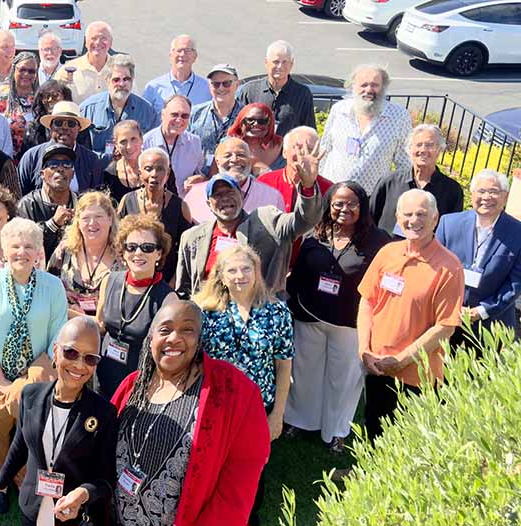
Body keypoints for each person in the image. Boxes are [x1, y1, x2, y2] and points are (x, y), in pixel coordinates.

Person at [110, 300, 271, 524]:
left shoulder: (233, 392)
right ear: (151, 338)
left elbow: (239, 484)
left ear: (200, 339)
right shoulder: (132, 386)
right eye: (165, 330)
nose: (174, 338)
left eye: (187, 329)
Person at [284, 181, 391, 453]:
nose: (345, 209)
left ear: (362, 206)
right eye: (338, 204)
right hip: (310, 318)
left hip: (349, 325)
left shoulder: (378, 242)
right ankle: (299, 420)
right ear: (329, 206)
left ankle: (336, 431)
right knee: (305, 374)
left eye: (352, 203)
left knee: (342, 381)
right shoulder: (316, 235)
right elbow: (299, 274)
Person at [194, 244, 294, 524]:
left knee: (252, 473)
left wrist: (278, 415)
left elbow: (284, 365)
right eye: (232, 270)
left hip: (258, 409)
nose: (240, 275)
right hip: (214, 407)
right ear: (221, 276)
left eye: (246, 268)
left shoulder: (277, 313)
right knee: (211, 471)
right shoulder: (205, 313)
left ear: (257, 272)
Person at [0, 217, 66, 514]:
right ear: (4, 248)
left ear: (39, 250)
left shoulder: (53, 285)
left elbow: (57, 336)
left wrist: (22, 382)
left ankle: (21, 477)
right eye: (15, 245)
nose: (22, 252)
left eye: (29, 246)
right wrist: (1, 380)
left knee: (26, 416)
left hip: (38, 371)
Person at [0, 316, 118, 525]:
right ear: (55, 351)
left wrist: (83, 494)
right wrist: (1, 481)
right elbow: (20, 447)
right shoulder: (30, 395)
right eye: (71, 352)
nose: (79, 365)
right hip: (32, 508)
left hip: (71, 516)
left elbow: (107, 478)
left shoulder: (104, 414)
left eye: (90, 358)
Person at [357, 189, 463, 444]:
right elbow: (367, 301)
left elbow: (444, 327)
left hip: (417, 374)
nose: (414, 220)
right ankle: (367, 480)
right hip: (378, 365)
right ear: (397, 217)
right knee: (374, 428)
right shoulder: (388, 253)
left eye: (421, 214)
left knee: (406, 443)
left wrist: (402, 360)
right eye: (408, 214)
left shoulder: (449, 266)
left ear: (435, 218)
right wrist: (364, 349)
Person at [176, 162, 324, 297]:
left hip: (256, 317)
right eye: (218, 195)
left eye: (230, 192)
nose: (225, 198)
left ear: (241, 195)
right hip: (209, 317)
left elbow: (305, 220)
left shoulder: (267, 221)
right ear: (209, 204)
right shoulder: (192, 237)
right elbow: (184, 289)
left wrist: (308, 187)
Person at [435, 169, 521, 347]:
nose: (487, 197)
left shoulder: (518, 233)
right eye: (481, 191)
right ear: (472, 194)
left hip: (492, 328)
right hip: (444, 320)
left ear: (505, 197)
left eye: (494, 192)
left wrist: (481, 311)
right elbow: (434, 269)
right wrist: (448, 306)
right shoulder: (448, 223)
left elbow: (515, 283)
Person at [95, 213, 176, 396]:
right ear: (123, 252)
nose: (138, 253)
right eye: (131, 247)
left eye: (147, 247)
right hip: (102, 377)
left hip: (139, 386)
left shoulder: (169, 300)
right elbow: (100, 325)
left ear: (159, 253)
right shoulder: (109, 281)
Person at [318, 64, 412, 190]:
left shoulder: (399, 116)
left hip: (373, 196)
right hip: (335, 192)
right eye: (363, 85)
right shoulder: (339, 110)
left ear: (383, 87)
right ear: (353, 86)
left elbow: (405, 162)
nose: (368, 90)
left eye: (375, 85)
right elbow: (325, 147)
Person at [369, 124, 464, 234]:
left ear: (439, 150)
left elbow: (452, 232)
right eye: (418, 145)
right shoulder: (389, 182)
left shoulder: (452, 191)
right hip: (388, 248)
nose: (423, 150)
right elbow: (370, 219)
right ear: (410, 149)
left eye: (429, 145)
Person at [119, 149, 194, 285]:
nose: (154, 174)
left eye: (160, 169)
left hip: (167, 282)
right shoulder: (127, 201)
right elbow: (117, 242)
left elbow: (187, 251)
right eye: (148, 169)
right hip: (132, 279)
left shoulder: (180, 207)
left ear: (168, 173)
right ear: (140, 173)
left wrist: (173, 283)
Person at [47, 191, 121, 318]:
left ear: (110, 219)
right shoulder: (64, 251)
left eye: (98, 216)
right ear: (78, 223)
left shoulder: (123, 256)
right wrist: (69, 309)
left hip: (110, 331)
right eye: (86, 218)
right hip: (67, 326)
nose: (92, 223)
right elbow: (47, 289)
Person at [182, 138, 286, 222]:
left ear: (250, 161)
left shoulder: (272, 196)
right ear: (217, 162)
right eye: (227, 155)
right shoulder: (194, 194)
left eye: (241, 155)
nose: (234, 160)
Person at [17, 101, 102, 196]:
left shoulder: (91, 160)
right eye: (59, 123)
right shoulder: (31, 157)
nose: (65, 128)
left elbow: (97, 198)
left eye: (71, 123)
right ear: (50, 127)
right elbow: (20, 195)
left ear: (79, 128)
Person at [79, 54, 159, 154]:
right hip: (98, 168)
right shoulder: (88, 109)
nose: (121, 84)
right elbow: (79, 148)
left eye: (126, 79)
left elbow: (154, 146)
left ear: (132, 81)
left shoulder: (147, 111)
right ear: (107, 81)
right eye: (116, 80)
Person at [235, 41, 316, 134]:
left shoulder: (302, 94)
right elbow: (237, 128)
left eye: (284, 62)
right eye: (276, 62)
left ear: (291, 64)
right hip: (253, 148)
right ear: (266, 62)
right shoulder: (249, 91)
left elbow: (309, 131)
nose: (280, 66)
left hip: (287, 148)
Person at [258, 127, 336, 217]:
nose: (302, 153)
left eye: (310, 149)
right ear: (284, 152)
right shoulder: (265, 182)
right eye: (297, 147)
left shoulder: (328, 189)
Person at [18, 144, 79, 258]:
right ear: (42, 174)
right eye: (53, 164)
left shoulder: (81, 204)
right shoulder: (27, 204)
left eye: (66, 165)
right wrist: (53, 224)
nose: (60, 169)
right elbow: (23, 245)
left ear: (72, 174)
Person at [142, 94, 205, 195]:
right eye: (174, 115)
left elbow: (201, 174)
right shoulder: (145, 143)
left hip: (183, 206)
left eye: (185, 116)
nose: (179, 120)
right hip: (153, 205)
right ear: (162, 115)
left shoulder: (195, 143)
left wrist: (198, 179)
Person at [190, 64, 243, 170]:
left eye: (226, 83)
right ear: (209, 86)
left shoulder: (247, 116)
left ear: (237, 84)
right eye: (215, 84)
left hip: (235, 179)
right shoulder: (195, 114)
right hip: (199, 178)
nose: (221, 88)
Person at [0, 52, 39, 156]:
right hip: (1, 154)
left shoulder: (40, 97)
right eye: (22, 70)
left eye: (31, 71)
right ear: (14, 69)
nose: (26, 74)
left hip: (32, 156)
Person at [142, 34, 211, 114]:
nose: (182, 54)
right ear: (171, 55)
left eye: (187, 51)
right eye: (179, 50)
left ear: (194, 56)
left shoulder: (206, 88)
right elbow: (143, 118)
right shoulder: (153, 87)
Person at [54, 22, 115, 104]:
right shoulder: (67, 70)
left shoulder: (120, 69)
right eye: (93, 38)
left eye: (103, 38)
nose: (97, 42)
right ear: (85, 42)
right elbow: (54, 102)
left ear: (111, 42)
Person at [227, 102, 284, 174]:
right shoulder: (227, 144)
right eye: (250, 120)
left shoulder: (283, 145)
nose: (256, 124)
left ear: (270, 123)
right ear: (241, 123)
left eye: (262, 121)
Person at [21, 79, 72, 156]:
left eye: (55, 95)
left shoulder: (75, 125)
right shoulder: (33, 128)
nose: (50, 99)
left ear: (65, 97)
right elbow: (27, 157)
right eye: (46, 96)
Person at [102, 120, 145, 203]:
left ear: (141, 139)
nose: (129, 146)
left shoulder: (157, 167)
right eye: (123, 142)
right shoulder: (110, 175)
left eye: (133, 139)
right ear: (116, 144)